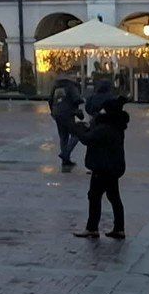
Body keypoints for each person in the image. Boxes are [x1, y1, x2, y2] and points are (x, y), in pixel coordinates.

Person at [71, 86, 130, 239]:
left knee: (94, 196)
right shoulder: (116, 125)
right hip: (113, 166)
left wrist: (79, 129)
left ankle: (92, 228)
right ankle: (119, 228)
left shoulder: (105, 127)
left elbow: (87, 139)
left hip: (102, 167)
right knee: (114, 197)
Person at [49, 73, 82, 170]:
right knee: (76, 134)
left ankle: (65, 161)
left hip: (57, 114)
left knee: (63, 137)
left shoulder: (55, 86)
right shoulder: (71, 86)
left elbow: (50, 100)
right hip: (68, 113)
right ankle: (65, 154)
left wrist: (53, 111)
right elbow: (76, 99)